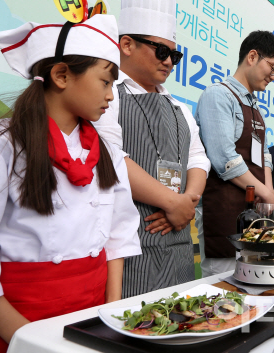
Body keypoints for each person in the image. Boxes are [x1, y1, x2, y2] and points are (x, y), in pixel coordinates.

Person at [0, 15, 141, 353]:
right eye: (105, 81)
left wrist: (110, 315)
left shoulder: (109, 155)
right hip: (9, 332)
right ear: (61, 75)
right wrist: (33, 342)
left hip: (89, 324)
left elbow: (119, 237)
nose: (110, 97)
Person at [92, 0, 210, 297]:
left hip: (180, 241)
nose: (169, 62)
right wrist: (174, 204)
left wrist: (187, 202)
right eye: (161, 51)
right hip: (130, 246)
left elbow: (198, 158)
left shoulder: (180, 108)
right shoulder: (109, 96)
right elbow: (110, 156)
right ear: (127, 45)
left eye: (174, 55)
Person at [195, 31, 274, 276]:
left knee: (253, 285)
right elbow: (224, 158)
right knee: (222, 290)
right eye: (273, 67)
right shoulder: (218, 95)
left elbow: (264, 156)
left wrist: (268, 192)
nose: (273, 76)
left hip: (253, 214)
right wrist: (264, 191)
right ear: (252, 56)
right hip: (224, 210)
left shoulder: (255, 107)